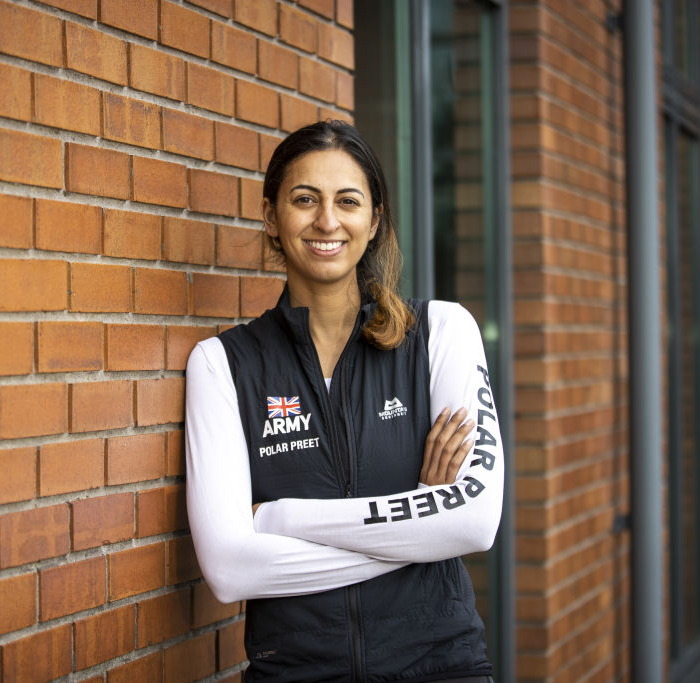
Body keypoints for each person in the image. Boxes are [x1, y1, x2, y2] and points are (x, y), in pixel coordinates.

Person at [184, 120, 504, 682]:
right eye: (304, 199)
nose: (327, 221)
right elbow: (231, 570)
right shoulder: (223, 365)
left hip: (440, 666)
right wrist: (421, 524)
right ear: (271, 216)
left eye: (347, 201)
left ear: (374, 219)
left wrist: (283, 519)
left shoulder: (441, 333)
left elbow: (474, 521)